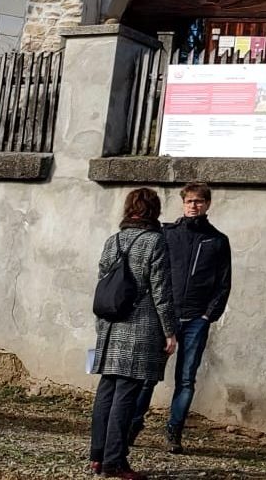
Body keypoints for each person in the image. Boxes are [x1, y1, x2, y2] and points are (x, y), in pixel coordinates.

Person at [87, 188, 180, 479]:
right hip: (140, 328)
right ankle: (114, 461)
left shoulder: (112, 240)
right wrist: (170, 332)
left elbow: (103, 283)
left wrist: (101, 325)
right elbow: (161, 292)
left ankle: (97, 457)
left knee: (106, 390)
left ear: (129, 209)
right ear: (154, 210)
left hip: (110, 325)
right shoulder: (155, 241)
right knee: (126, 395)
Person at [154, 181, 233, 453]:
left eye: (198, 201)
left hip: (196, 320)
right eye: (189, 201)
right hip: (166, 314)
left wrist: (208, 315)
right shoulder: (168, 234)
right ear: (183, 203)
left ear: (207, 204)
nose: (193, 206)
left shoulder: (217, 241)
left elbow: (224, 283)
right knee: (148, 374)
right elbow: (155, 272)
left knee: (186, 379)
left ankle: (174, 431)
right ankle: (133, 423)